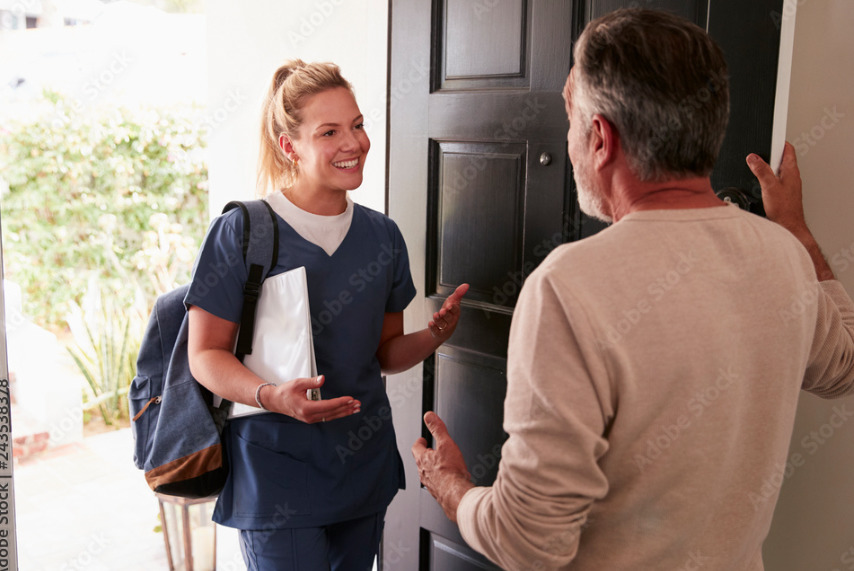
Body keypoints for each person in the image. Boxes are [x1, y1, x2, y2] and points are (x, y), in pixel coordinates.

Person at [412, 8, 854, 570]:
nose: (566, 139)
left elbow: (529, 543)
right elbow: (846, 364)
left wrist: (450, 486)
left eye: (570, 120)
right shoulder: (785, 259)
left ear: (599, 138)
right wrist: (796, 231)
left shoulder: (567, 287)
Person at [185, 59, 468, 570]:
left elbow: (384, 354)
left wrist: (433, 335)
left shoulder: (383, 237)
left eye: (358, 125)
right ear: (289, 145)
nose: (353, 143)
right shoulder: (241, 232)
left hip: (361, 468)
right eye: (330, 132)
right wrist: (270, 396)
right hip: (276, 474)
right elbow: (204, 355)